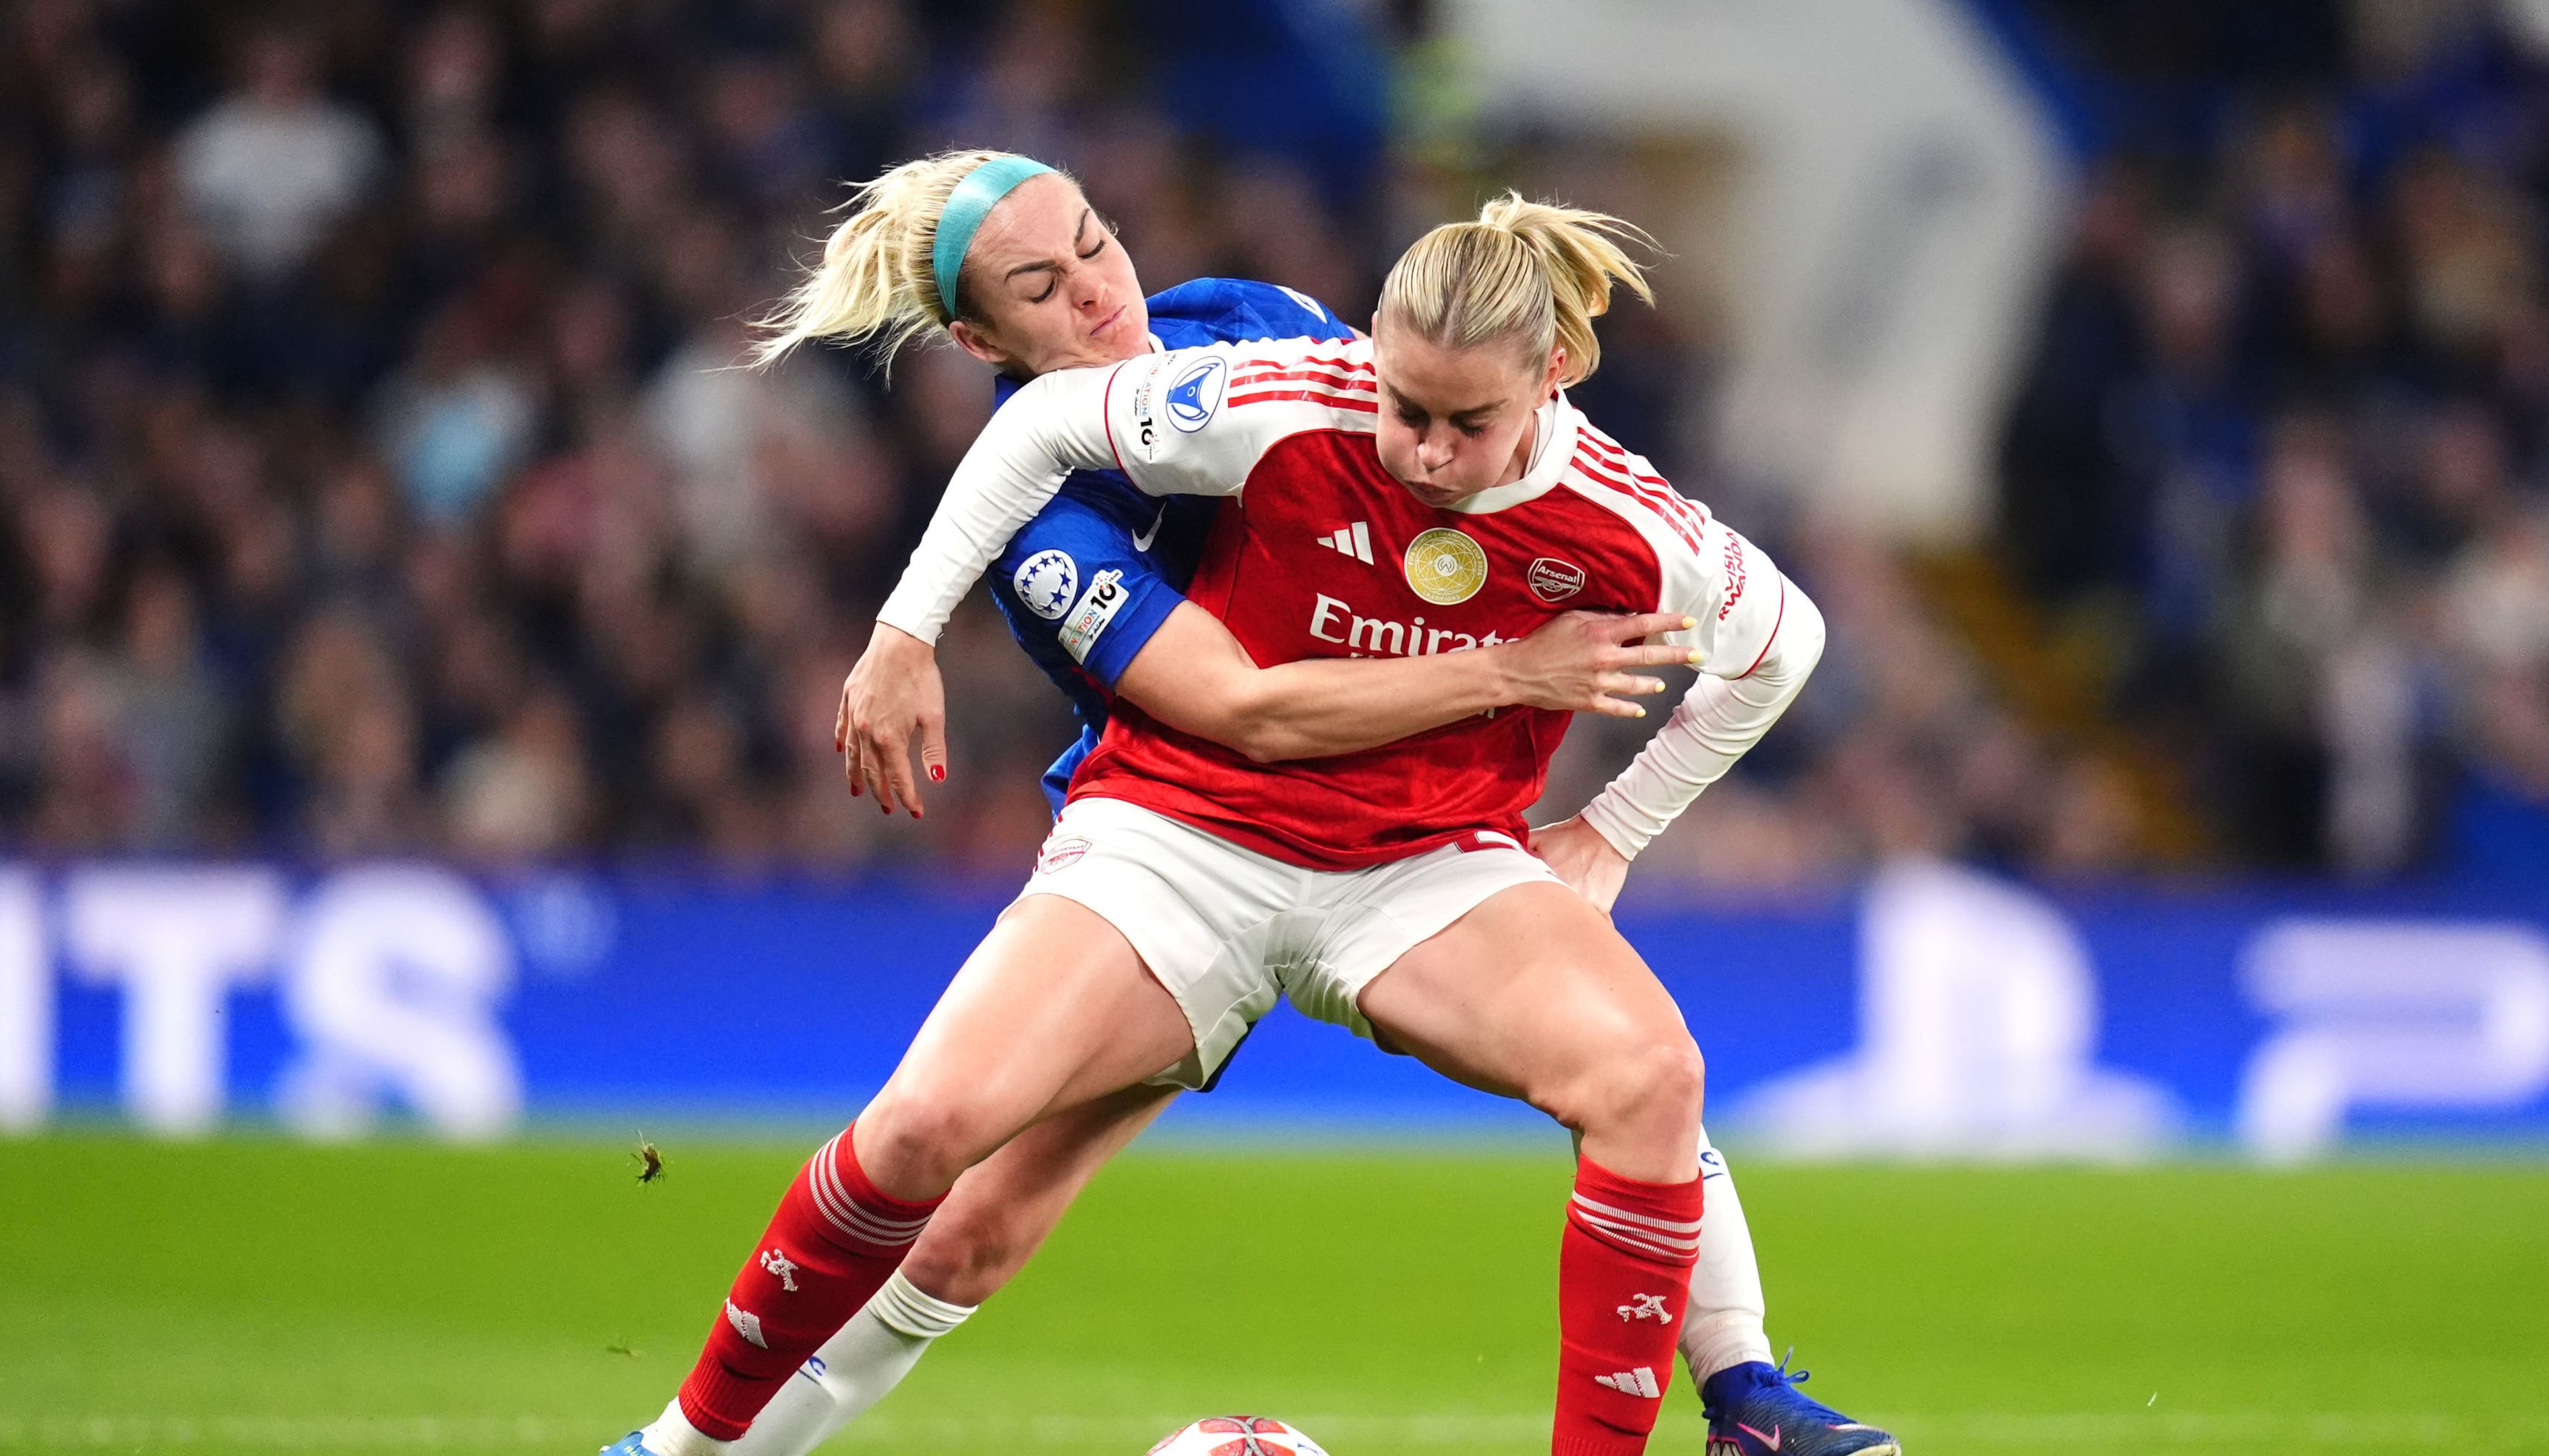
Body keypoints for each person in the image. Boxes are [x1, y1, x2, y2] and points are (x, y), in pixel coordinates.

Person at [605, 156, 1889, 1456]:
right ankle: (685, 1450)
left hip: (1421, 856)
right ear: (979, 337)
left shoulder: (1246, 334)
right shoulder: (1052, 524)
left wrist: (1611, 831)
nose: (1101, 295)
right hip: (1187, 841)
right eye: (1040, 289)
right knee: (951, 1179)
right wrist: (904, 633)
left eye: (1097, 244)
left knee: (1647, 1072)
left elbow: (1776, 635)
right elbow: (1249, 709)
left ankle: (1742, 1397)